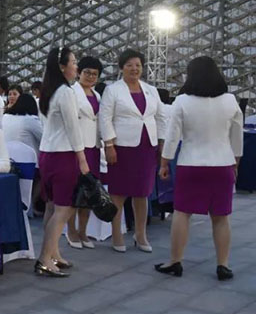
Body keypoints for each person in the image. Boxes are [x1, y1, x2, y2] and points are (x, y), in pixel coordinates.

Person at [154, 57, 243, 280]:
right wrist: (235, 164)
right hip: (222, 164)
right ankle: (223, 265)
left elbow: (172, 136)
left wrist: (164, 163)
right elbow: (237, 138)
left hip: (190, 164)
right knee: (221, 217)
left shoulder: (182, 101)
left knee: (182, 213)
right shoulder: (230, 101)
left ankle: (175, 261)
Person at [98, 48, 168, 253]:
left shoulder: (151, 90)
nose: (134, 69)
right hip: (122, 148)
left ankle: (140, 234)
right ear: (122, 68)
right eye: (129, 65)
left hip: (147, 148)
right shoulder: (113, 90)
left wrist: (162, 143)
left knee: (142, 192)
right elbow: (105, 118)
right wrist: (109, 145)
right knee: (118, 193)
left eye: (138, 65)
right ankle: (117, 235)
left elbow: (161, 117)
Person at [36, 46, 90, 277]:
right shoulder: (66, 92)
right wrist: (82, 159)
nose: (76, 66)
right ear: (62, 67)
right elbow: (73, 127)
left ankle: (53, 253)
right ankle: (44, 258)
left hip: (48, 153)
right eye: (73, 62)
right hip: (63, 155)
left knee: (52, 207)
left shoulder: (49, 91)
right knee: (63, 209)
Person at [65, 56, 103, 249]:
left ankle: (83, 231)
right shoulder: (71, 93)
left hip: (94, 148)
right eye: (87, 72)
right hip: (77, 147)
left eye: (95, 74)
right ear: (79, 72)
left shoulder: (97, 96)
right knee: (74, 191)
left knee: (89, 191)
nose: (90, 77)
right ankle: (71, 230)